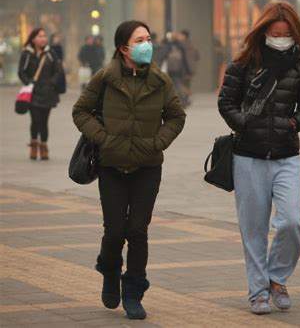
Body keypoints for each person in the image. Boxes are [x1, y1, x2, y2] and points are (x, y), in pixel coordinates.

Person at [72, 20, 186, 320]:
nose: (147, 44)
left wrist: (158, 142)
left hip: (147, 167)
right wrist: (104, 138)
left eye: (149, 38)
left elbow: (176, 116)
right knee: (114, 231)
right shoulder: (105, 78)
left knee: (137, 231)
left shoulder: (160, 81)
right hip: (111, 165)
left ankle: (133, 291)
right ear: (124, 48)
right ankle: (110, 269)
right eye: (140, 40)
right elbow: (80, 111)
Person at [218, 1, 300, 315]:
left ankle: (277, 277)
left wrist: (292, 123)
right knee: (254, 230)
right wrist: (243, 123)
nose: (280, 39)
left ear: (295, 35)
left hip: (287, 156)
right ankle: (258, 292)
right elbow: (226, 102)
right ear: (262, 32)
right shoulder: (243, 64)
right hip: (248, 157)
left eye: (285, 35)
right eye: (274, 34)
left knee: (292, 221)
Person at [18, 28, 61, 160]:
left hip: (48, 93)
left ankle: (43, 146)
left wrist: (52, 83)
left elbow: (58, 70)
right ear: (33, 39)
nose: (43, 38)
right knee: (35, 120)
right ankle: (33, 144)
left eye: (44, 36)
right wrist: (29, 83)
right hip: (34, 93)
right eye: (40, 36)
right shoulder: (27, 54)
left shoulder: (51, 53)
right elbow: (21, 72)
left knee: (44, 121)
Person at [155, 32, 191, 107]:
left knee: (171, 86)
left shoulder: (167, 46)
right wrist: (187, 70)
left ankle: (174, 101)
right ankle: (183, 100)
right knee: (179, 85)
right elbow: (185, 59)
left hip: (170, 69)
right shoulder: (180, 46)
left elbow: (161, 57)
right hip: (179, 70)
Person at [179, 29, 200, 97]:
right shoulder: (191, 45)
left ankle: (186, 97)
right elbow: (197, 56)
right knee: (186, 84)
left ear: (184, 36)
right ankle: (186, 97)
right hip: (190, 67)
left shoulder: (182, 45)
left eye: (181, 35)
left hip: (185, 68)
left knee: (183, 84)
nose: (179, 36)